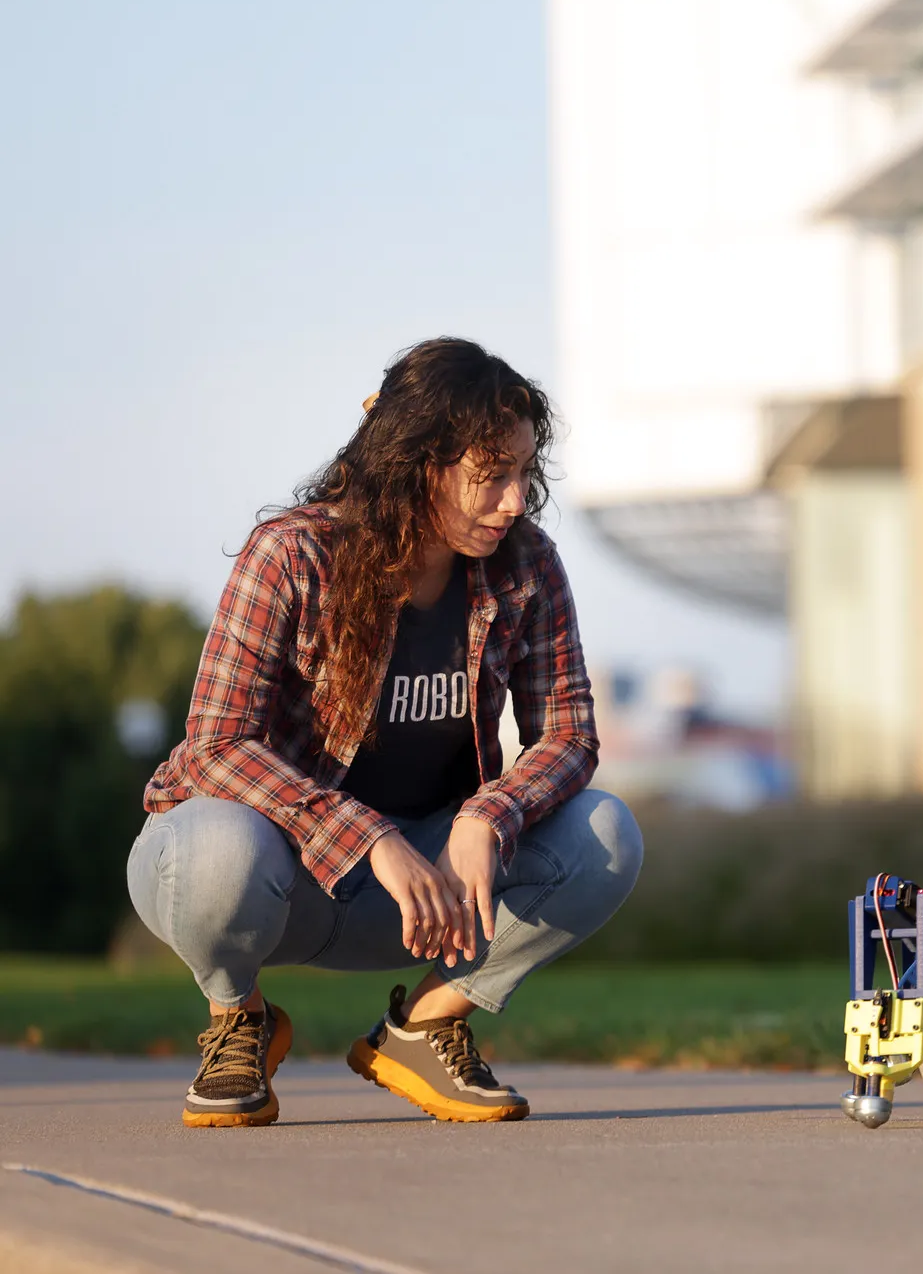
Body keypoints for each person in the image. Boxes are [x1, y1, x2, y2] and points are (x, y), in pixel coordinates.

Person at [129, 338, 642, 1127]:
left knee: (607, 832)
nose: (513, 501)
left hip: (432, 896)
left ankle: (426, 1027)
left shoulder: (527, 564)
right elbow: (215, 744)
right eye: (490, 475)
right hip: (281, 877)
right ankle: (240, 1020)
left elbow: (569, 737)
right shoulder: (293, 555)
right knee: (213, 847)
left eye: (520, 473)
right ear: (417, 464)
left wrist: (487, 814)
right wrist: (366, 836)